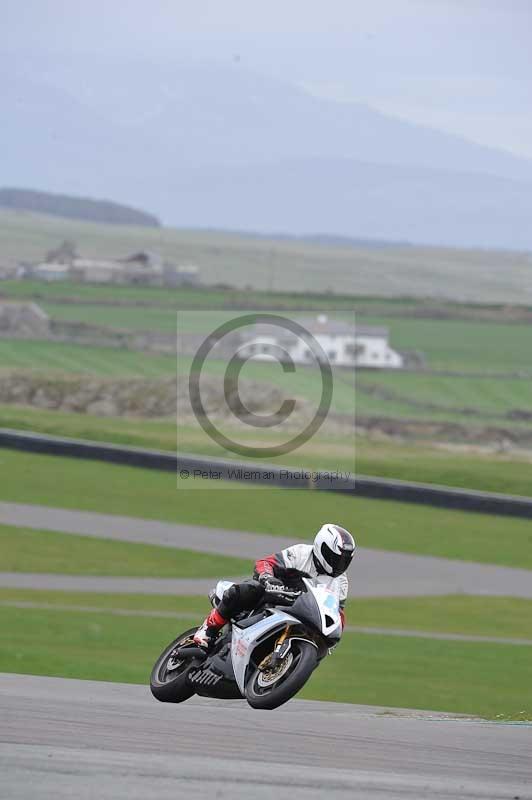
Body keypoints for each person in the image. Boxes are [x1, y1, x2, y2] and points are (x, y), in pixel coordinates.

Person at [193, 523, 355, 649]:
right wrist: (267, 578)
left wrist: (335, 632)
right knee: (250, 589)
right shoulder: (302, 553)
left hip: (304, 614)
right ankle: (208, 629)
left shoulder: (341, 582)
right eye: (336, 558)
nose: (339, 565)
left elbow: (337, 612)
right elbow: (265, 563)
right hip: (276, 594)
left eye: (344, 560)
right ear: (322, 547)